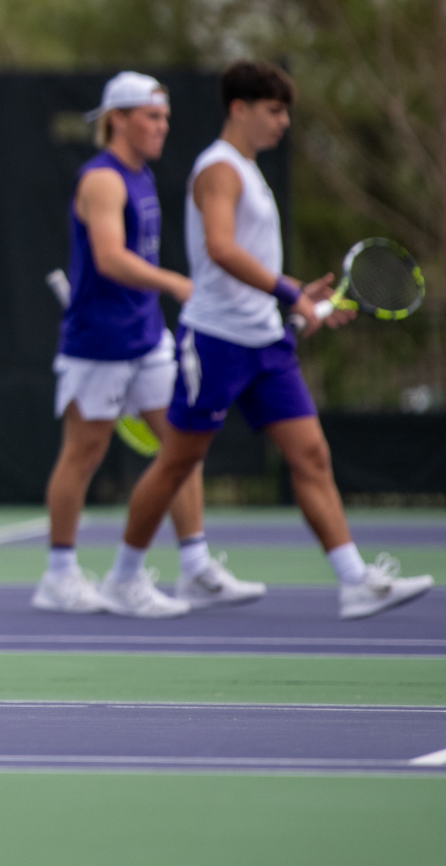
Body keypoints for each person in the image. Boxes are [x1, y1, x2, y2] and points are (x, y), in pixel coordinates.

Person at [102, 61, 433, 620]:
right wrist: (290, 293)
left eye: (285, 112)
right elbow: (222, 249)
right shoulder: (219, 170)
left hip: (265, 344)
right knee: (178, 463)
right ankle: (122, 578)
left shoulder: (249, 171)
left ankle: (355, 581)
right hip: (215, 343)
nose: (283, 123)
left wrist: (299, 295)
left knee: (311, 455)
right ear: (240, 109)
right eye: (274, 110)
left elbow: (251, 261)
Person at [38, 73, 265, 618]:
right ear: (118, 119)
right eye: (151, 117)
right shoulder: (102, 180)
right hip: (98, 343)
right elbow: (111, 258)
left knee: (184, 445)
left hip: (147, 340)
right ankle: (60, 574)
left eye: (165, 117)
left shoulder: (140, 178)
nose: (162, 127)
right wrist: (178, 284)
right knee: (84, 452)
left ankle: (195, 567)